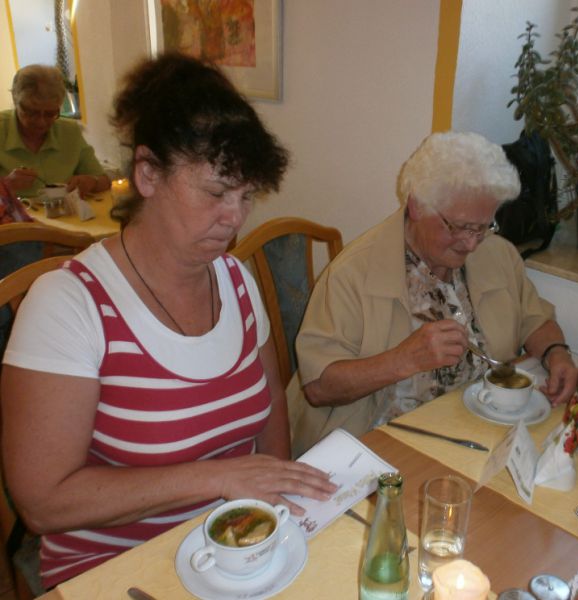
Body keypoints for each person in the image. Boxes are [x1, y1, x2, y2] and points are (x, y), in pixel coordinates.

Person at [1, 53, 336, 589]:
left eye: (246, 195)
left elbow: (271, 406)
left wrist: (279, 517)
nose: (234, 217)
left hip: (233, 557)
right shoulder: (68, 305)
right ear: (148, 174)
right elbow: (43, 504)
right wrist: (219, 477)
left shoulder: (237, 280)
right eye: (216, 193)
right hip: (115, 572)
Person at [293, 131, 578, 454]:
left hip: (479, 430)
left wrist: (557, 353)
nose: (471, 243)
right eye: (459, 227)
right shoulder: (353, 274)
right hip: (380, 445)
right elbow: (318, 387)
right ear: (417, 205)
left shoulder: (497, 254)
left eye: (483, 227)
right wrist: (403, 360)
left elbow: (534, 319)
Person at [0, 64, 110, 198]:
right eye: (31, 113)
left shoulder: (69, 131)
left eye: (50, 114)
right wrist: (6, 184)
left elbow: (104, 180)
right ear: (15, 100)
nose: (41, 122)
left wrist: (92, 182)